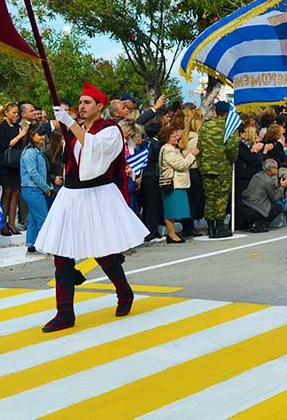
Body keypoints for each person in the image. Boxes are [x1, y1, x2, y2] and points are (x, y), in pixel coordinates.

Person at [36, 82, 150, 332]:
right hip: (72, 194)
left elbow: (95, 150)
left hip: (97, 193)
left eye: (87, 102)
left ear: (100, 107)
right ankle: (65, 313)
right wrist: (65, 126)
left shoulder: (110, 131)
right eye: (80, 102)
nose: (81, 106)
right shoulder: (74, 130)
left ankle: (124, 292)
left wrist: (70, 123)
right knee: (61, 254)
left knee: (104, 253)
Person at [198, 101, 238, 239]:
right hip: (222, 167)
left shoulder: (206, 126)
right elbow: (232, 148)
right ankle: (219, 227)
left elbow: (200, 146)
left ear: (216, 111)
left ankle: (210, 228)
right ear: (227, 112)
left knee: (209, 197)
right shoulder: (230, 127)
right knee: (221, 197)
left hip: (207, 166)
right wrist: (232, 160)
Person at [158, 125, 198, 244]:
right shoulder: (168, 150)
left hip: (178, 183)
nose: (176, 138)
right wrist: (192, 155)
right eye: (173, 136)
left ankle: (173, 233)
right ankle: (171, 234)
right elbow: (181, 165)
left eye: (177, 136)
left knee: (174, 210)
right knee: (171, 211)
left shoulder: (172, 149)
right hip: (173, 184)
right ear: (167, 137)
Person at [0, 102, 28, 236]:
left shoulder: (16, 127)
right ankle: (2, 224)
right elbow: (6, 144)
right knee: (7, 193)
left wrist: (22, 134)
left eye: (16, 113)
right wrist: (20, 135)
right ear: (6, 113)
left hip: (16, 164)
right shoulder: (0, 127)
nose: (15, 115)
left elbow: (20, 145)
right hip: (5, 164)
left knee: (15, 193)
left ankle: (12, 223)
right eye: (13, 112)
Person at [20, 124, 53, 253]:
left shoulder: (36, 151)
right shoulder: (29, 152)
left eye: (43, 134)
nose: (43, 137)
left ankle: (31, 243)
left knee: (34, 217)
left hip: (35, 188)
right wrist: (46, 188)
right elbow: (33, 173)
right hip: (32, 188)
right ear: (32, 136)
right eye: (39, 135)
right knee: (43, 218)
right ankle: (47, 245)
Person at [239, 159, 287, 232]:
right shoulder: (268, 180)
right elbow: (274, 197)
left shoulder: (257, 175)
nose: (277, 170)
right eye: (276, 168)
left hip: (247, 202)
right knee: (278, 207)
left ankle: (256, 224)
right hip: (257, 206)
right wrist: (282, 187)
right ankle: (260, 224)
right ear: (271, 169)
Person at [180, 109, 205, 237]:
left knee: (189, 200)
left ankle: (188, 226)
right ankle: (190, 227)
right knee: (194, 201)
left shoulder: (185, 138)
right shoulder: (196, 140)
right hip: (194, 170)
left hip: (187, 171)